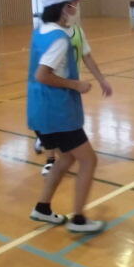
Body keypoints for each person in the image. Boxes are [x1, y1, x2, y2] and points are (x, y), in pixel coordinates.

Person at [27, 0, 105, 233]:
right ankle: (79, 219)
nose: (76, 7)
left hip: (39, 110)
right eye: (73, 3)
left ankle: (43, 207)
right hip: (57, 112)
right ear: (62, 7)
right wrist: (76, 85)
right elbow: (42, 74)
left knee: (67, 158)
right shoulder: (60, 39)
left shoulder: (40, 31)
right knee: (89, 160)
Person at [36, 23, 113, 176]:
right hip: (53, 85)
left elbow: (87, 56)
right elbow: (41, 68)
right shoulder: (50, 32)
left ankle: (46, 139)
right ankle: (50, 159)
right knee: (53, 124)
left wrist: (102, 80)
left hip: (71, 86)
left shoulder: (77, 31)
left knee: (66, 125)